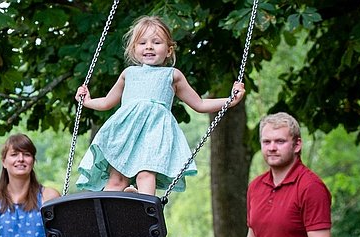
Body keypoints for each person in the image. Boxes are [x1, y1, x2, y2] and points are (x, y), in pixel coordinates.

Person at [74, 15, 247, 195]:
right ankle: (110, 211)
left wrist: (230, 100)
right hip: (125, 132)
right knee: (116, 179)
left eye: (156, 42)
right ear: (134, 49)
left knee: (146, 174)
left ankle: (144, 211)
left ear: (169, 50)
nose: (149, 46)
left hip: (154, 133)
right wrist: (87, 101)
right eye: (142, 43)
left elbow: (200, 104)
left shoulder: (173, 75)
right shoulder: (129, 73)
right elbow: (107, 102)